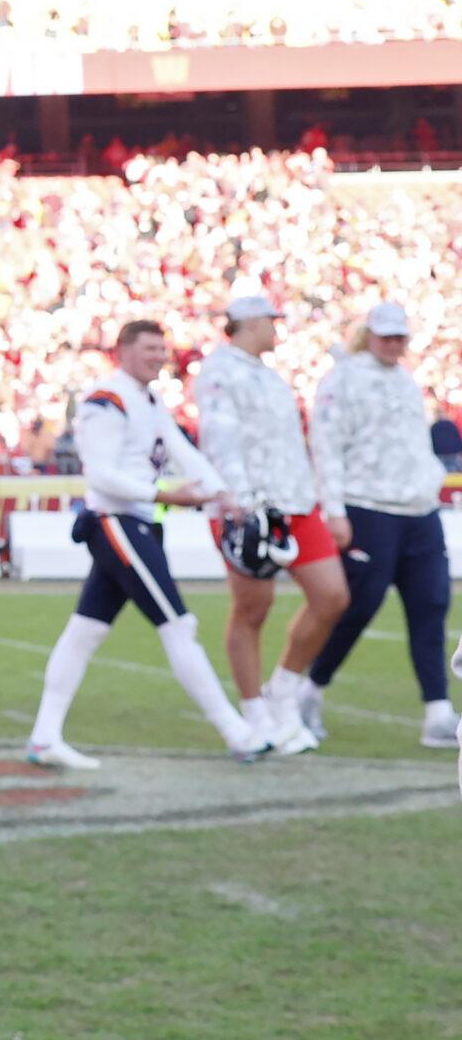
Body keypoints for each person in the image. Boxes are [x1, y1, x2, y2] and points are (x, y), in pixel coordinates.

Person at [24, 320, 266, 769]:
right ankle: (237, 732)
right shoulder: (106, 400)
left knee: (85, 631)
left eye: (162, 348)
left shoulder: (148, 399)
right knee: (178, 625)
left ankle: (44, 736)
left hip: (137, 522)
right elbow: (102, 475)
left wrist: (223, 494)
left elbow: (182, 451)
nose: (159, 356)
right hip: (116, 522)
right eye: (149, 348)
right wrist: (167, 496)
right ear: (124, 349)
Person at [189, 293, 342, 755]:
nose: (276, 328)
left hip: (295, 501)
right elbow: (219, 438)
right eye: (270, 321)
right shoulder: (220, 370)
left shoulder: (269, 374)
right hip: (251, 506)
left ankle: (283, 691)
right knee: (253, 607)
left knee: (332, 596)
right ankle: (256, 713)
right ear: (250, 322)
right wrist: (240, 500)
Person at [302, 302, 455, 747]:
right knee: (358, 607)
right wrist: (334, 509)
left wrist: (428, 480)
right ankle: (309, 689)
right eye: (386, 336)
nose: (393, 344)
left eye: (399, 337)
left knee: (431, 605)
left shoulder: (406, 381)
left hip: (419, 509)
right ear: (368, 335)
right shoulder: (343, 379)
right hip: (368, 507)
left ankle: (438, 712)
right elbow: (327, 445)